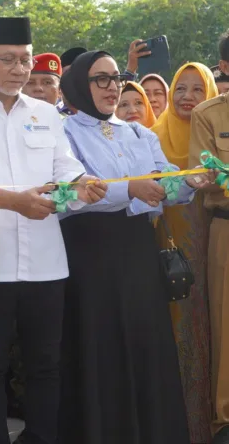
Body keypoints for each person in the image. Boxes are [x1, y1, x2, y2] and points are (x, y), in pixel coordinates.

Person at [0, 17, 107, 444]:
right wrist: (15, 202)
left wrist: (82, 183)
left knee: (45, 365)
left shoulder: (47, 114)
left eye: (25, 60)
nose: (19, 69)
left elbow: (63, 166)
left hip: (46, 263)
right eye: (8, 59)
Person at [58, 50, 209, 444]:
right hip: (91, 253)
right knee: (101, 344)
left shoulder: (138, 133)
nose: (112, 88)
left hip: (138, 251)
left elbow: (165, 182)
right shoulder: (65, 133)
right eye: (100, 80)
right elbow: (75, 190)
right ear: (78, 85)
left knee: (145, 340)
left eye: (116, 78)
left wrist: (191, 183)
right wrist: (131, 189)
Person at [152, 62, 218, 444]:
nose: (188, 97)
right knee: (178, 330)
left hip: (213, 245)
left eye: (197, 90)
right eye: (181, 89)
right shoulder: (152, 138)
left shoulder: (213, 140)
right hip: (168, 253)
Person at [189, 89, 229, 444]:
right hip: (227, 226)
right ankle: (225, 421)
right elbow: (203, 176)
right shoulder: (209, 114)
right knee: (226, 323)